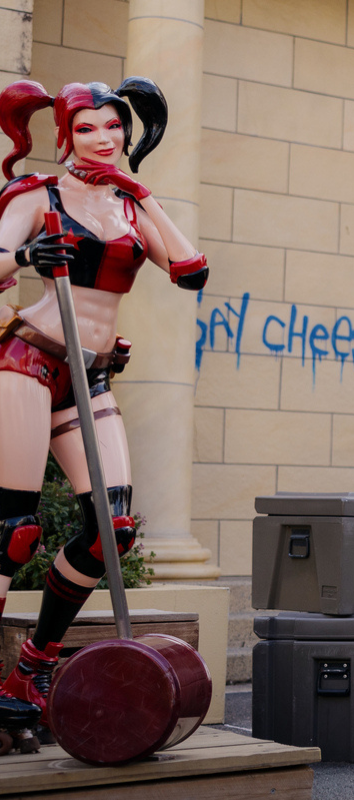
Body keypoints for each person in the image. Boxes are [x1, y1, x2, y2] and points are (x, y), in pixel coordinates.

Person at [0, 78, 208, 734]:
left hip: (89, 375)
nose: (104, 138)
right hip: (30, 360)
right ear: (65, 134)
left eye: (113, 126)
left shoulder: (127, 206)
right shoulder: (39, 194)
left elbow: (191, 269)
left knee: (110, 532)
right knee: (12, 533)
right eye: (87, 128)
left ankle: (32, 667)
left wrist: (143, 191)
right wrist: (30, 253)